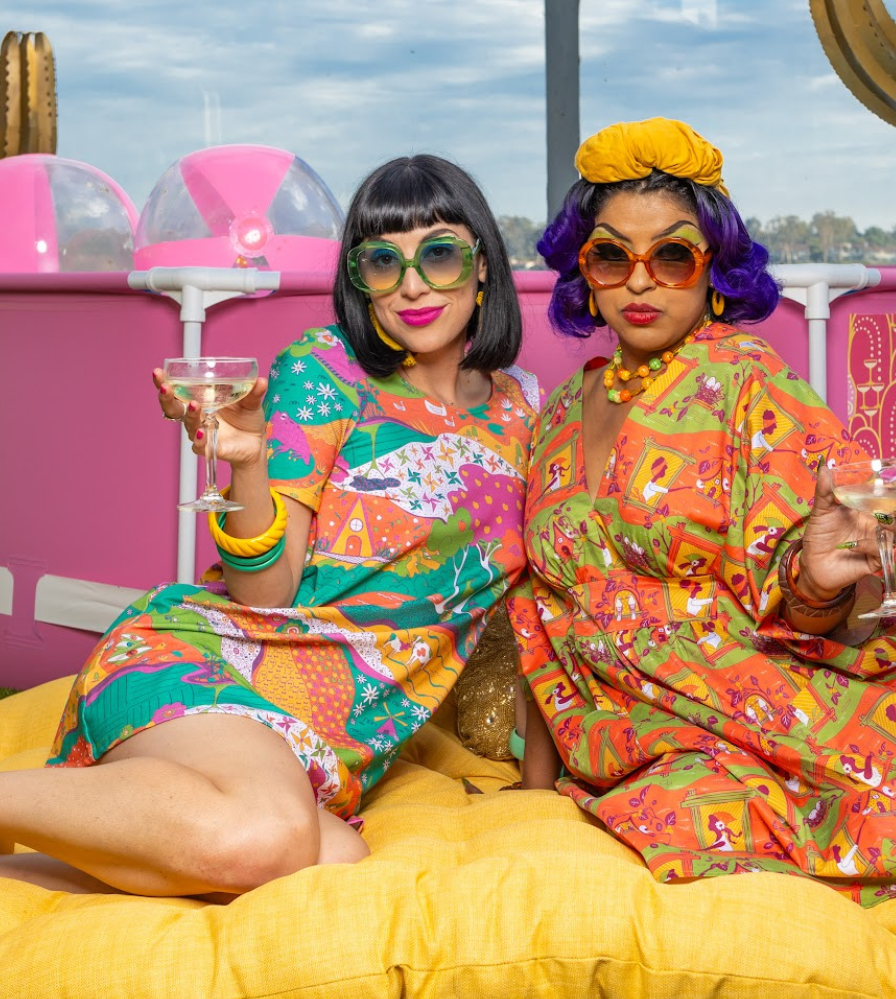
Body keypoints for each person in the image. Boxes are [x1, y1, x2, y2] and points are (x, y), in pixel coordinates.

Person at [509, 117, 896, 906]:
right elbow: (547, 617)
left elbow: (836, 587)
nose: (640, 281)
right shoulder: (560, 412)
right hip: (628, 729)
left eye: (671, 255)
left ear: (714, 271)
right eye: (612, 255)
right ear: (585, 269)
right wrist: (533, 798)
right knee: (684, 819)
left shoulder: (750, 384)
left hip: (757, 692)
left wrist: (815, 579)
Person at [0, 154, 539, 898]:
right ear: (361, 280)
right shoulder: (327, 371)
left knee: (333, 859)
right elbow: (266, 594)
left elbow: (540, 597)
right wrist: (248, 464)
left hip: (332, 737)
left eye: (439, 255)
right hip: (209, 662)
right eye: (384, 261)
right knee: (268, 836)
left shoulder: (525, 413)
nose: (413, 284)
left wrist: (539, 769)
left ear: (483, 268)